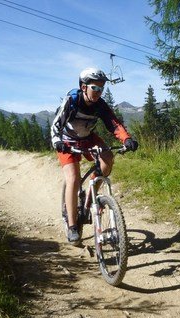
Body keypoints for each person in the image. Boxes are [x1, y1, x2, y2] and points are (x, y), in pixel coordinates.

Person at [51, 67, 138, 245]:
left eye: (101, 88)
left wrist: (126, 139)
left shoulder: (100, 105)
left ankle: (90, 197)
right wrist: (57, 142)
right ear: (84, 87)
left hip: (88, 138)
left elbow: (114, 124)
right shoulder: (72, 101)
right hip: (67, 141)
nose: (98, 92)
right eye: (95, 88)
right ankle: (73, 226)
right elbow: (55, 126)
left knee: (107, 159)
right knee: (73, 179)